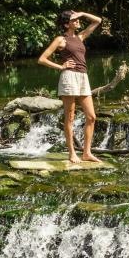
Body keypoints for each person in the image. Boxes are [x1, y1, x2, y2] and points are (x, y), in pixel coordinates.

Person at [36, 10, 104, 164]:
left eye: (78, 19)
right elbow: (42, 59)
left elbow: (97, 21)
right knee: (70, 117)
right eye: (74, 20)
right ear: (67, 24)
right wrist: (61, 67)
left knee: (91, 117)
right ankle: (72, 153)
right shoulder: (61, 39)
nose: (78, 21)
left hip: (82, 77)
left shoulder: (80, 37)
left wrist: (81, 13)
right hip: (68, 77)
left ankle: (87, 153)